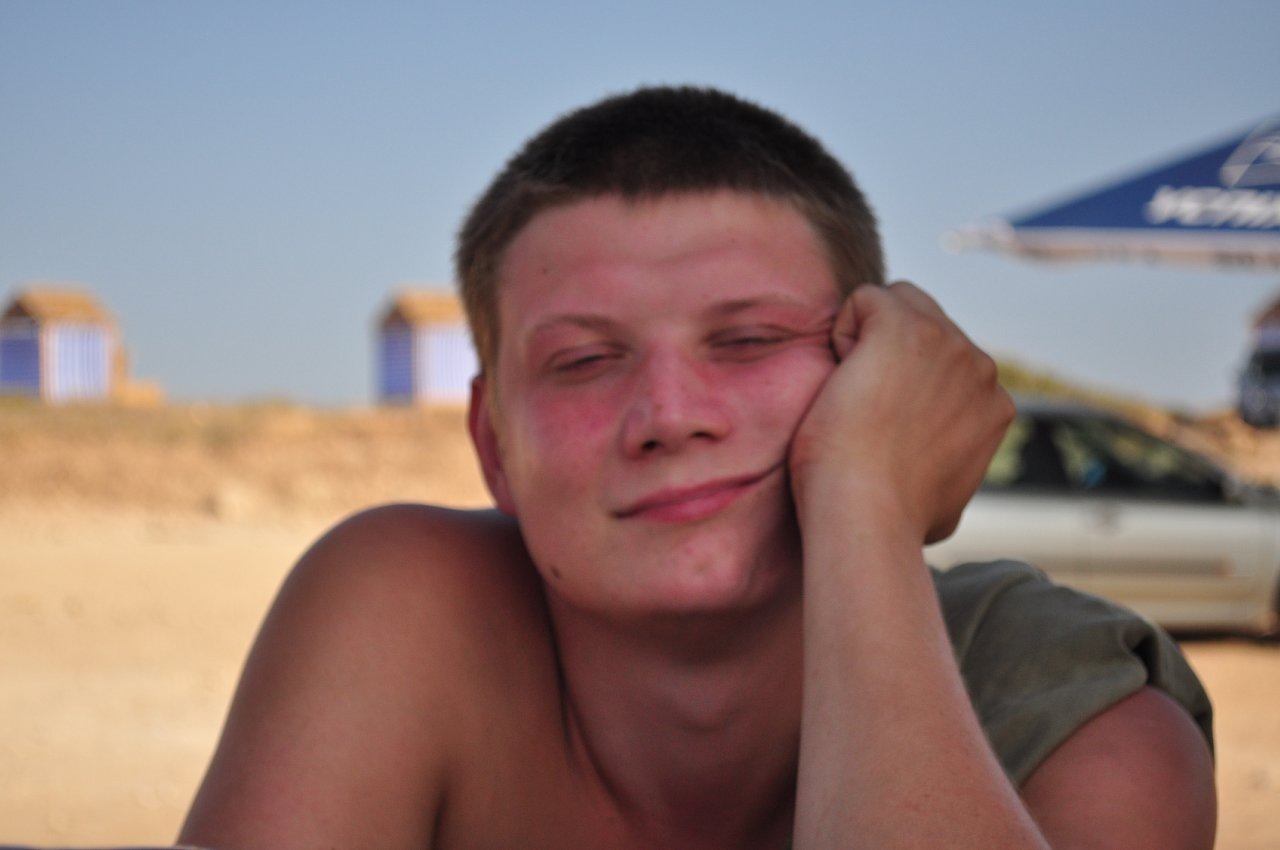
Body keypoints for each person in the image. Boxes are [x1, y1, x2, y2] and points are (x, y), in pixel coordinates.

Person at [180, 86, 1216, 849]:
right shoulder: (405, 611)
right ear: (493, 446)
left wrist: (861, 501)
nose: (669, 416)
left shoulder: (1080, 722)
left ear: (877, 381)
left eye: (750, 340)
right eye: (584, 361)